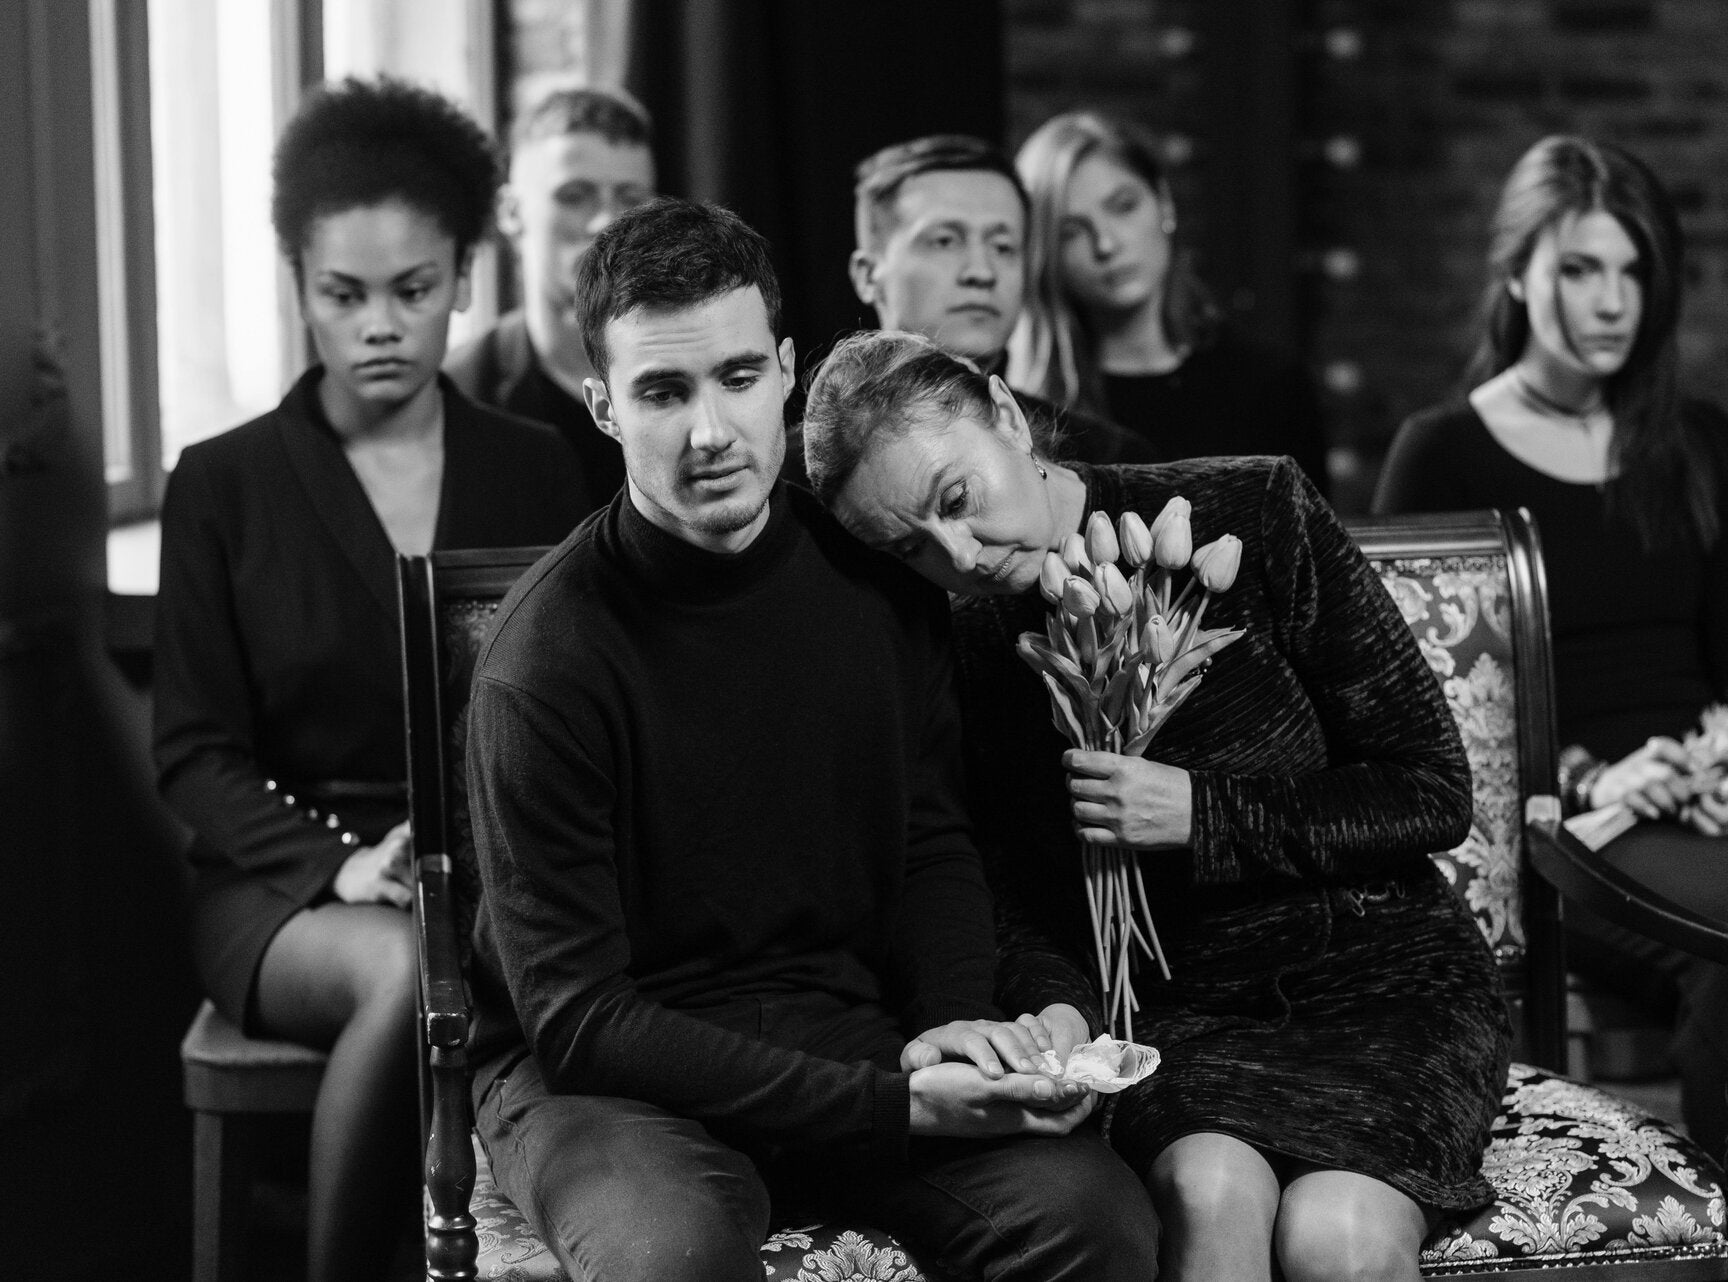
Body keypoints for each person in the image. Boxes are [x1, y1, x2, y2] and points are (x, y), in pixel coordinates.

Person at [461, 197, 1158, 1282]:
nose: (710, 431)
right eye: (663, 391)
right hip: (613, 1084)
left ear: (786, 372)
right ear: (603, 407)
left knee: (1092, 1218)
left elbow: (932, 844)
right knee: (670, 1258)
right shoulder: (542, 661)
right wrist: (892, 1104)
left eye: (738, 377)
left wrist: (953, 1024)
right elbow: (580, 1019)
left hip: (850, 1027)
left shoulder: (879, 581)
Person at [802, 329, 1511, 1282]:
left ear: (1006, 416)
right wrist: (1060, 1013)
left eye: (957, 500)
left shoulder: (1253, 509)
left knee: (1337, 1237)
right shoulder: (953, 644)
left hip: (1387, 988)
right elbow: (1007, 897)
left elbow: (1432, 789)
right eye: (910, 548)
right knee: (1209, 1193)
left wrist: (1200, 814)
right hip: (1171, 1016)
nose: (958, 556)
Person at [1373, 134, 1728, 1282]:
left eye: (1634, 271)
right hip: (1577, 819)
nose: (1612, 302)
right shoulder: (1441, 451)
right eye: (1580, 269)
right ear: (1517, 273)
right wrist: (1584, 775)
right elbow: (1424, 712)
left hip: (1718, 792)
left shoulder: (1697, 440)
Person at [152, 78, 590, 1282]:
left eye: (414, 289)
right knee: (405, 968)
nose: (379, 327)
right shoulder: (222, 484)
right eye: (343, 295)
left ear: (465, 276)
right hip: (286, 885)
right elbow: (192, 754)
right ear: (298, 283)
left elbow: (577, 705)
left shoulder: (537, 466)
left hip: (497, 870)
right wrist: (342, 863)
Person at [1007, 110, 1328, 489]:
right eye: (1071, 232)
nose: (1106, 244)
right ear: (1045, 254)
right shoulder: (1023, 416)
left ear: (1164, 203)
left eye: (1124, 206)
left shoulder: (1272, 386)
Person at [847, 132, 1157, 467]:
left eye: (1003, 247)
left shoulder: (1106, 458)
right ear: (868, 275)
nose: (982, 272)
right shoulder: (816, 463)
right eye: (945, 241)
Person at [446, 86, 657, 503]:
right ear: (511, 212)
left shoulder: (694, 380)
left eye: (630, 199)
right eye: (574, 196)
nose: (606, 222)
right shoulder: (457, 399)